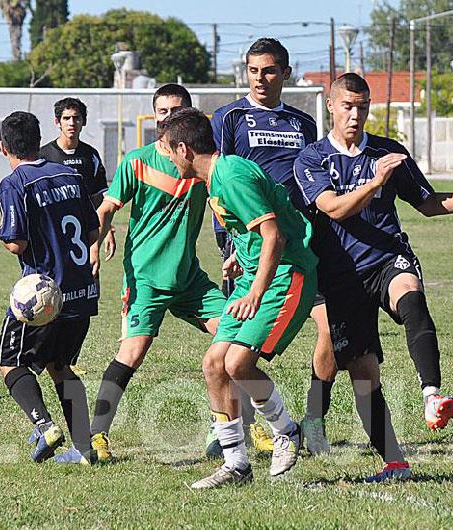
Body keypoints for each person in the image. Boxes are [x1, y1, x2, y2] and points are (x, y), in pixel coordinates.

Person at [293, 73, 453, 481]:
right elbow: (333, 208)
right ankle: (395, 462)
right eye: (348, 106)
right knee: (364, 375)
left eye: (363, 107)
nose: (356, 115)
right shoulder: (311, 159)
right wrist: (375, 181)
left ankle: (432, 396)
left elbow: (430, 203)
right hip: (342, 277)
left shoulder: (389, 152)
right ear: (330, 106)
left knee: (411, 295)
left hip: (387, 259)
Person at [164, 107, 318, 489]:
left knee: (237, 364)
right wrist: (240, 256)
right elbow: (263, 226)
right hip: (257, 272)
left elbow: (275, 236)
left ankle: (287, 431)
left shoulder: (229, 176)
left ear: (184, 149)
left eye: (168, 150)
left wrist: (255, 291)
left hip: (285, 276)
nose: (166, 157)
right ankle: (236, 464)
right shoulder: (217, 177)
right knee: (214, 363)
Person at [207, 37, 335, 456]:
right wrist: (227, 246)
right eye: (253, 70)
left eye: (269, 70)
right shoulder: (229, 118)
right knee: (234, 354)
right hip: (252, 251)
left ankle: (313, 422)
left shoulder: (303, 124)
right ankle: (235, 435)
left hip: (299, 247)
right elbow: (219, 188)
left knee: (330, 329)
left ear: (286, 73)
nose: (261, 79)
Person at [87, 84, 227, 464]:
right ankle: (95, 435)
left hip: (188, 278)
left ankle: (230, 428)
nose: (168, 116)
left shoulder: (203, 161)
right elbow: (107, 207)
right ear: (154, 117)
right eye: (162, 111)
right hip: (146, 278)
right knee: (132, 353)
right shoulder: (137, 161)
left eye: (176, 109)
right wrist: (96, 243)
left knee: (236, 338)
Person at [0, 111, 101, 465]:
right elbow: (91, 231)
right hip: (83, 291)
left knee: (10, 363)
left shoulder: (15, 183)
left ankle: (44, 427)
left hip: (45, 296)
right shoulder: (71, 174)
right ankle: (84, 451)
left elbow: (16, 243)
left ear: (3, 147)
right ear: (40, 139)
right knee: (60, 366)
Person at [39, 97, 116, 373]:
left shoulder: (91, 156)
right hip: (54, 240)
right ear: (57, 122)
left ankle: (69, 357)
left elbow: (100, 198)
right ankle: (49, 354)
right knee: (51, 293)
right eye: (67, 118)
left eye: (77, 118)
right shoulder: (44, 156)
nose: (72, 123)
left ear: (83, 121)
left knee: (85, 296)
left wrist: (108, 231)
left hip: (86, 237)